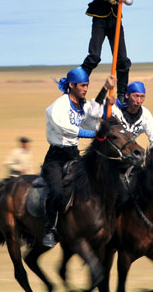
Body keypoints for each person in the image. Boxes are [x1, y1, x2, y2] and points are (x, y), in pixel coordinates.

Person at [41, 67, 115, 248]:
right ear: (72, 85)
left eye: (87, 85)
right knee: (57, 191)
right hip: (56, 157)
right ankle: (50, 229)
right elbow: (67, 128)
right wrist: (94, 135)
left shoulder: (82, 104)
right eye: (82, 85)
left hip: (74, 154)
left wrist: (106, 89)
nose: (85, 89)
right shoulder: (58, 106)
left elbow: (93, 111)